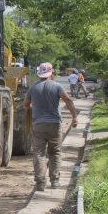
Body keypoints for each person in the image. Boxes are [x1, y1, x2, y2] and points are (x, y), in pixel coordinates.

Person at [24, 62, 78, 191]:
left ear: (40, 74)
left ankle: (40, 183)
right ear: (51, 73)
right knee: (55, 152)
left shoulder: (33, 88)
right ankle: (55, 181)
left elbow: (26, 105)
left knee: (39, 153)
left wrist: (35, 107)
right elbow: (68, 100)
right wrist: (74, 117)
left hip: (38, 125)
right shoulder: (57, 86)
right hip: (54, 124)